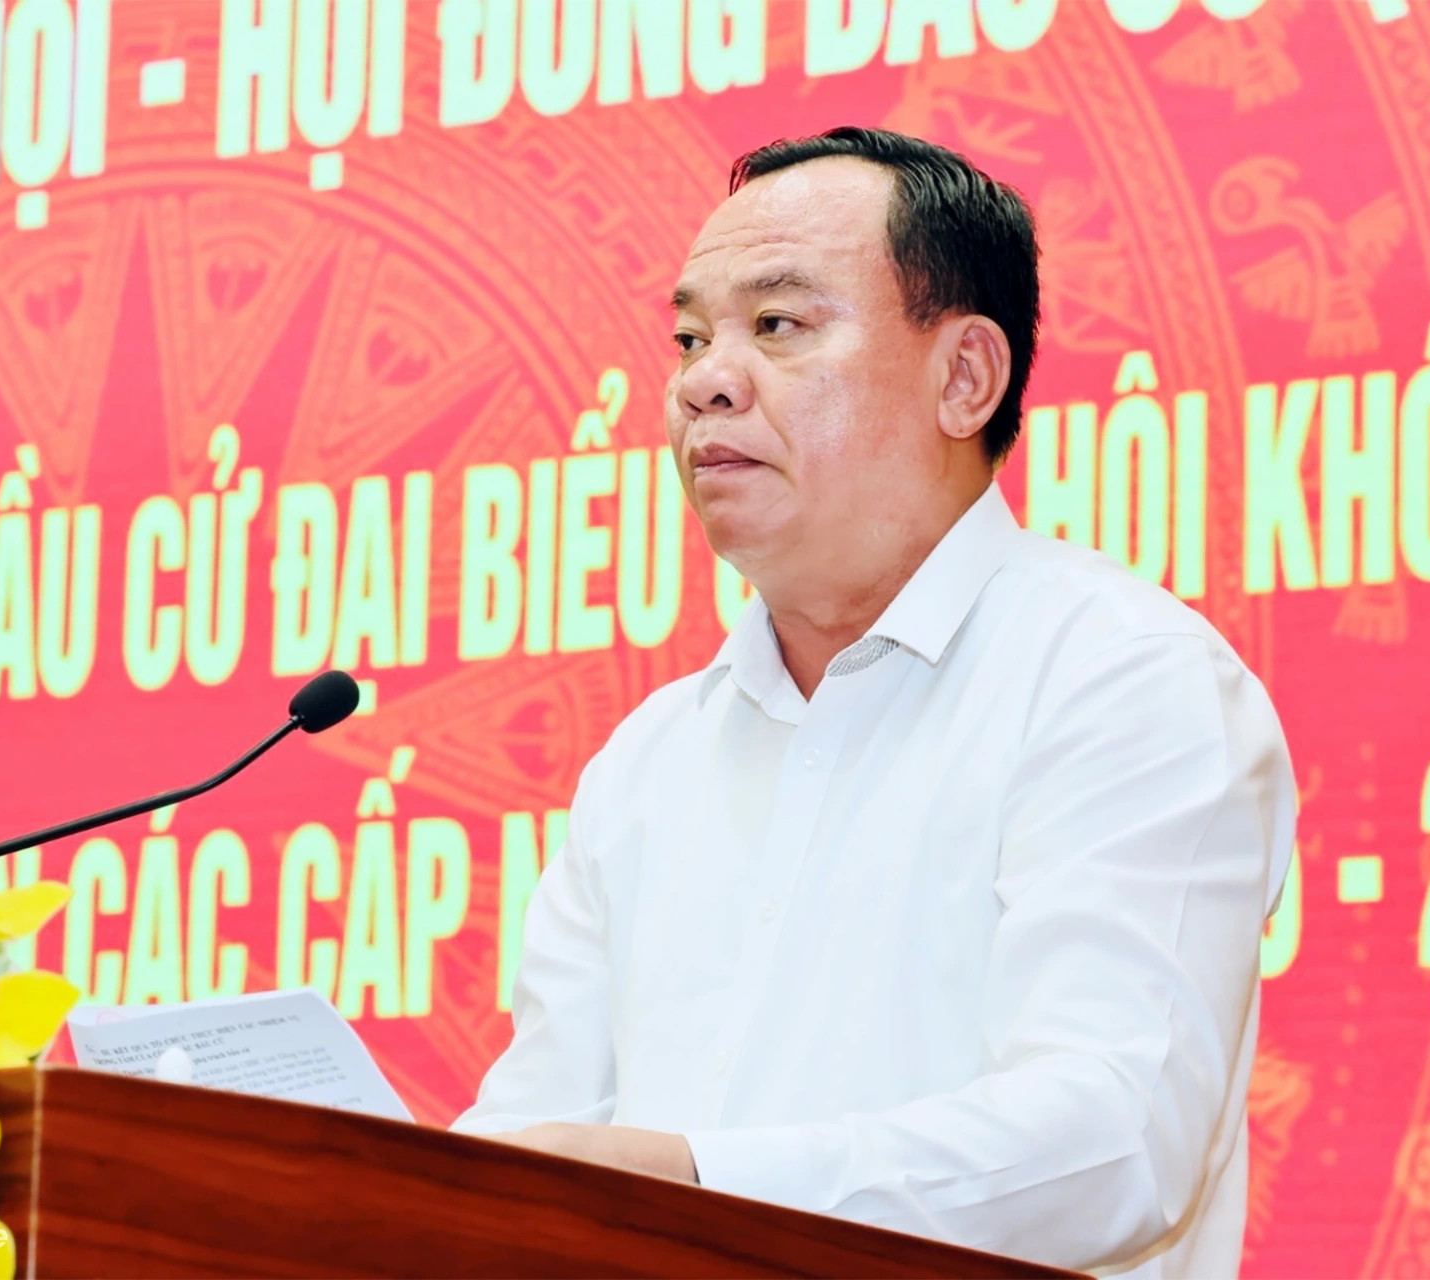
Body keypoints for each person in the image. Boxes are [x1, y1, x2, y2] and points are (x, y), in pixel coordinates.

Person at [451, 127, 1294, 1278]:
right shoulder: (647, 763)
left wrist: (701, 1179)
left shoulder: (1121, 678)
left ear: (965, 377)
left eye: (778, 325)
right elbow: (535, 1143)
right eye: (692, 335)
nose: (703, 377)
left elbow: (1113, 1139)